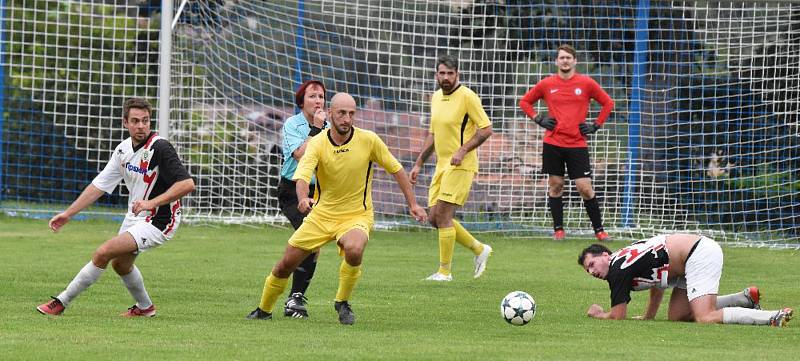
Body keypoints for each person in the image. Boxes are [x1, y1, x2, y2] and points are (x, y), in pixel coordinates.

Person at [246, 92, 427, 325]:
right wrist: (303, 199)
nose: (346, 118)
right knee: (285, 265)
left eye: (351, 114)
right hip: (321, 214)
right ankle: (264, 310)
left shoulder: (369, 139)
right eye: (341, 113)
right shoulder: (318, 143)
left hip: (356, 215)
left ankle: (342, 302)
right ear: (330, 114)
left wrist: (413, 203)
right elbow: (302, 176)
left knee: (354, 248)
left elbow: (397, 169)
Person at [37, 98, 196, 317]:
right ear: (125, 122)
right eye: (135, 121)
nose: (141, 125)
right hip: (135, 217)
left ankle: (60, 302)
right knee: (120, 265)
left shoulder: (160, 148)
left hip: (160, 220)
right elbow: (98, 186)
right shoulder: (123, 150)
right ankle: (145, 308)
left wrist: (151, 203)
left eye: (145, 121)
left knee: (104, 252)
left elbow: (187, 184)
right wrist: (68, 214)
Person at [578, 233, 793, 326]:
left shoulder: (617, 269)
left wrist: (598, 314)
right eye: (587, 270)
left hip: (697, 254)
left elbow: (617, 316)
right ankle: (744, 299)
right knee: (678, 316)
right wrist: (648, 316)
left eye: (591, 265)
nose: (591, 272)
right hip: (688, 260)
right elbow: (657, 282)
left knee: (705, 316)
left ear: (605, 255)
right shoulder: (623, 257)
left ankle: (772, 317)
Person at [410, 54, 494, 282]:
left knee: (444, 216)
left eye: (450, 73)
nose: (445, 77)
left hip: (462, 164)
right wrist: (419, 163)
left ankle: (444, 272)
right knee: (434, 219)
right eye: (442, 73)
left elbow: (486, 129)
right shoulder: (436, 97)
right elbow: (433, 134)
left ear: (457, 74)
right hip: (441, 165)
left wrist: (463, 150)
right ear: (436, 75)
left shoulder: (468, 97)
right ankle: (479, 249)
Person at [519, 44, 615, 241]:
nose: (565, 61)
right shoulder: (547, 84)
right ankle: (559, 230)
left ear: (574, 61)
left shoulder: (586, 83)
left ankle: (600, 231)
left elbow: (608, 103)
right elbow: (525, 102)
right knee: (556, 185)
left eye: (568, 58)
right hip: (553, 143)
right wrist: (539, 119)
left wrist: (596, 126)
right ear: (556, 61)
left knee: (585, 188)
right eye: (561, 58)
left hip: (577, 144)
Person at [276, 80, 328, 318]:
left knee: (313, 246)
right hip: (293, 189)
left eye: (321, 96)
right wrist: (316, 130)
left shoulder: (330, 126)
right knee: (311, 243)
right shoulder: (292, 124)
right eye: (312, 96)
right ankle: (294, 299)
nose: (318, 101)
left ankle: (294, 298)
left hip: (321, 192)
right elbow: (299, 155)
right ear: (301, 102)